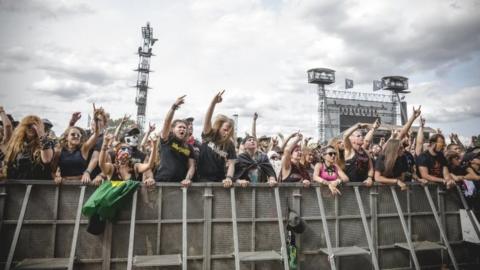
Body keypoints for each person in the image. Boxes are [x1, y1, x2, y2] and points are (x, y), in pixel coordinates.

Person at [197, 90, 237, 187]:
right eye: (225, 129)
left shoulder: (229, 144)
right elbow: (207, 120)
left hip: (219, 180)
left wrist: (228, 177)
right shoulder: (209, 134)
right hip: (201, 179)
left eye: (229, 131)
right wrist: (213, 103)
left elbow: (231, 164)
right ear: (219, 127)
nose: (226, 133)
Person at [154, 95, 195, 187]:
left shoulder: (189, 147)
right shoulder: (167, 139)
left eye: (184, 128)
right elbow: (167, 122)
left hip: (180, 184)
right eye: (180, 127)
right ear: (172, 129)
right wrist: (174, 107)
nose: (183, 129)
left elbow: (191, 166)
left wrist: (187, 178)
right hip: (162, 182)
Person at [4, 115, 54, 180]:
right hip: (18, 185)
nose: (31, 128)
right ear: (23, 127)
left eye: (34, 126)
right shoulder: (16, 144)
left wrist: (40, 133)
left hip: (40, 185)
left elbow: (46, 159)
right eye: (28, 125)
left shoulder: (47, 142)